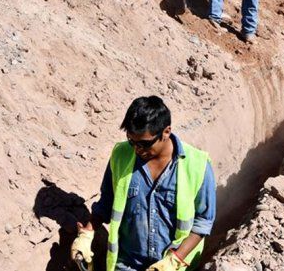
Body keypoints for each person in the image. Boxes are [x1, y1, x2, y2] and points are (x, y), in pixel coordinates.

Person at [71, 96, 216, 271]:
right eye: (132, 141)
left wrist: (174, 260)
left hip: (173, 266)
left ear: (166, 132)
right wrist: (87, 234)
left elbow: (203, 221)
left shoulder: (198, 165)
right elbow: (106, 203)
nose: (137, 149)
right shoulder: (120, 156)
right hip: (127, 263)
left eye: (145, 144)